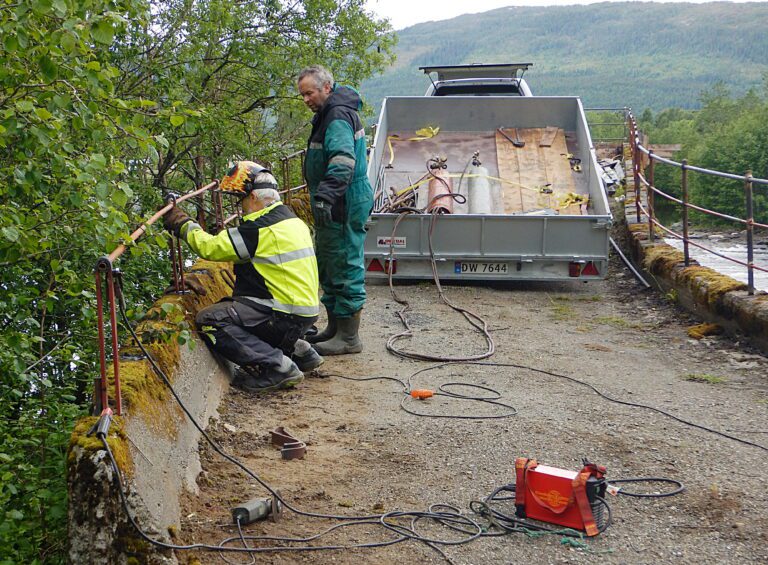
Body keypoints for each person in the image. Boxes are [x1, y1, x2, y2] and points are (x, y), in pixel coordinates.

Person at [162, 161, 323, 393]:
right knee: (237, 307)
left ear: (255, 197)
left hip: (283, 313)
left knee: (211, 319)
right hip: (303, 311)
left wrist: (183, 224)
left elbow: (211, 248)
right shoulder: (291, 221)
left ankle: (280, 367)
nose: (241, 206)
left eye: (243, 199)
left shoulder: (259, 229)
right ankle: (301, 351)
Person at [297, 65, 374, 356]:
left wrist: (325, 197)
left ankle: (349, 338)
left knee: (344, 262)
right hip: (337, 198)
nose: (305, 99)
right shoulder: (328, 114)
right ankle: (334, 328)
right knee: (330, 261)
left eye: (309, 92)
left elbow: (342, 160)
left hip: (343, 199)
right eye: (302, 95)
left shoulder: (337, 115)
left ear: (326, 88)